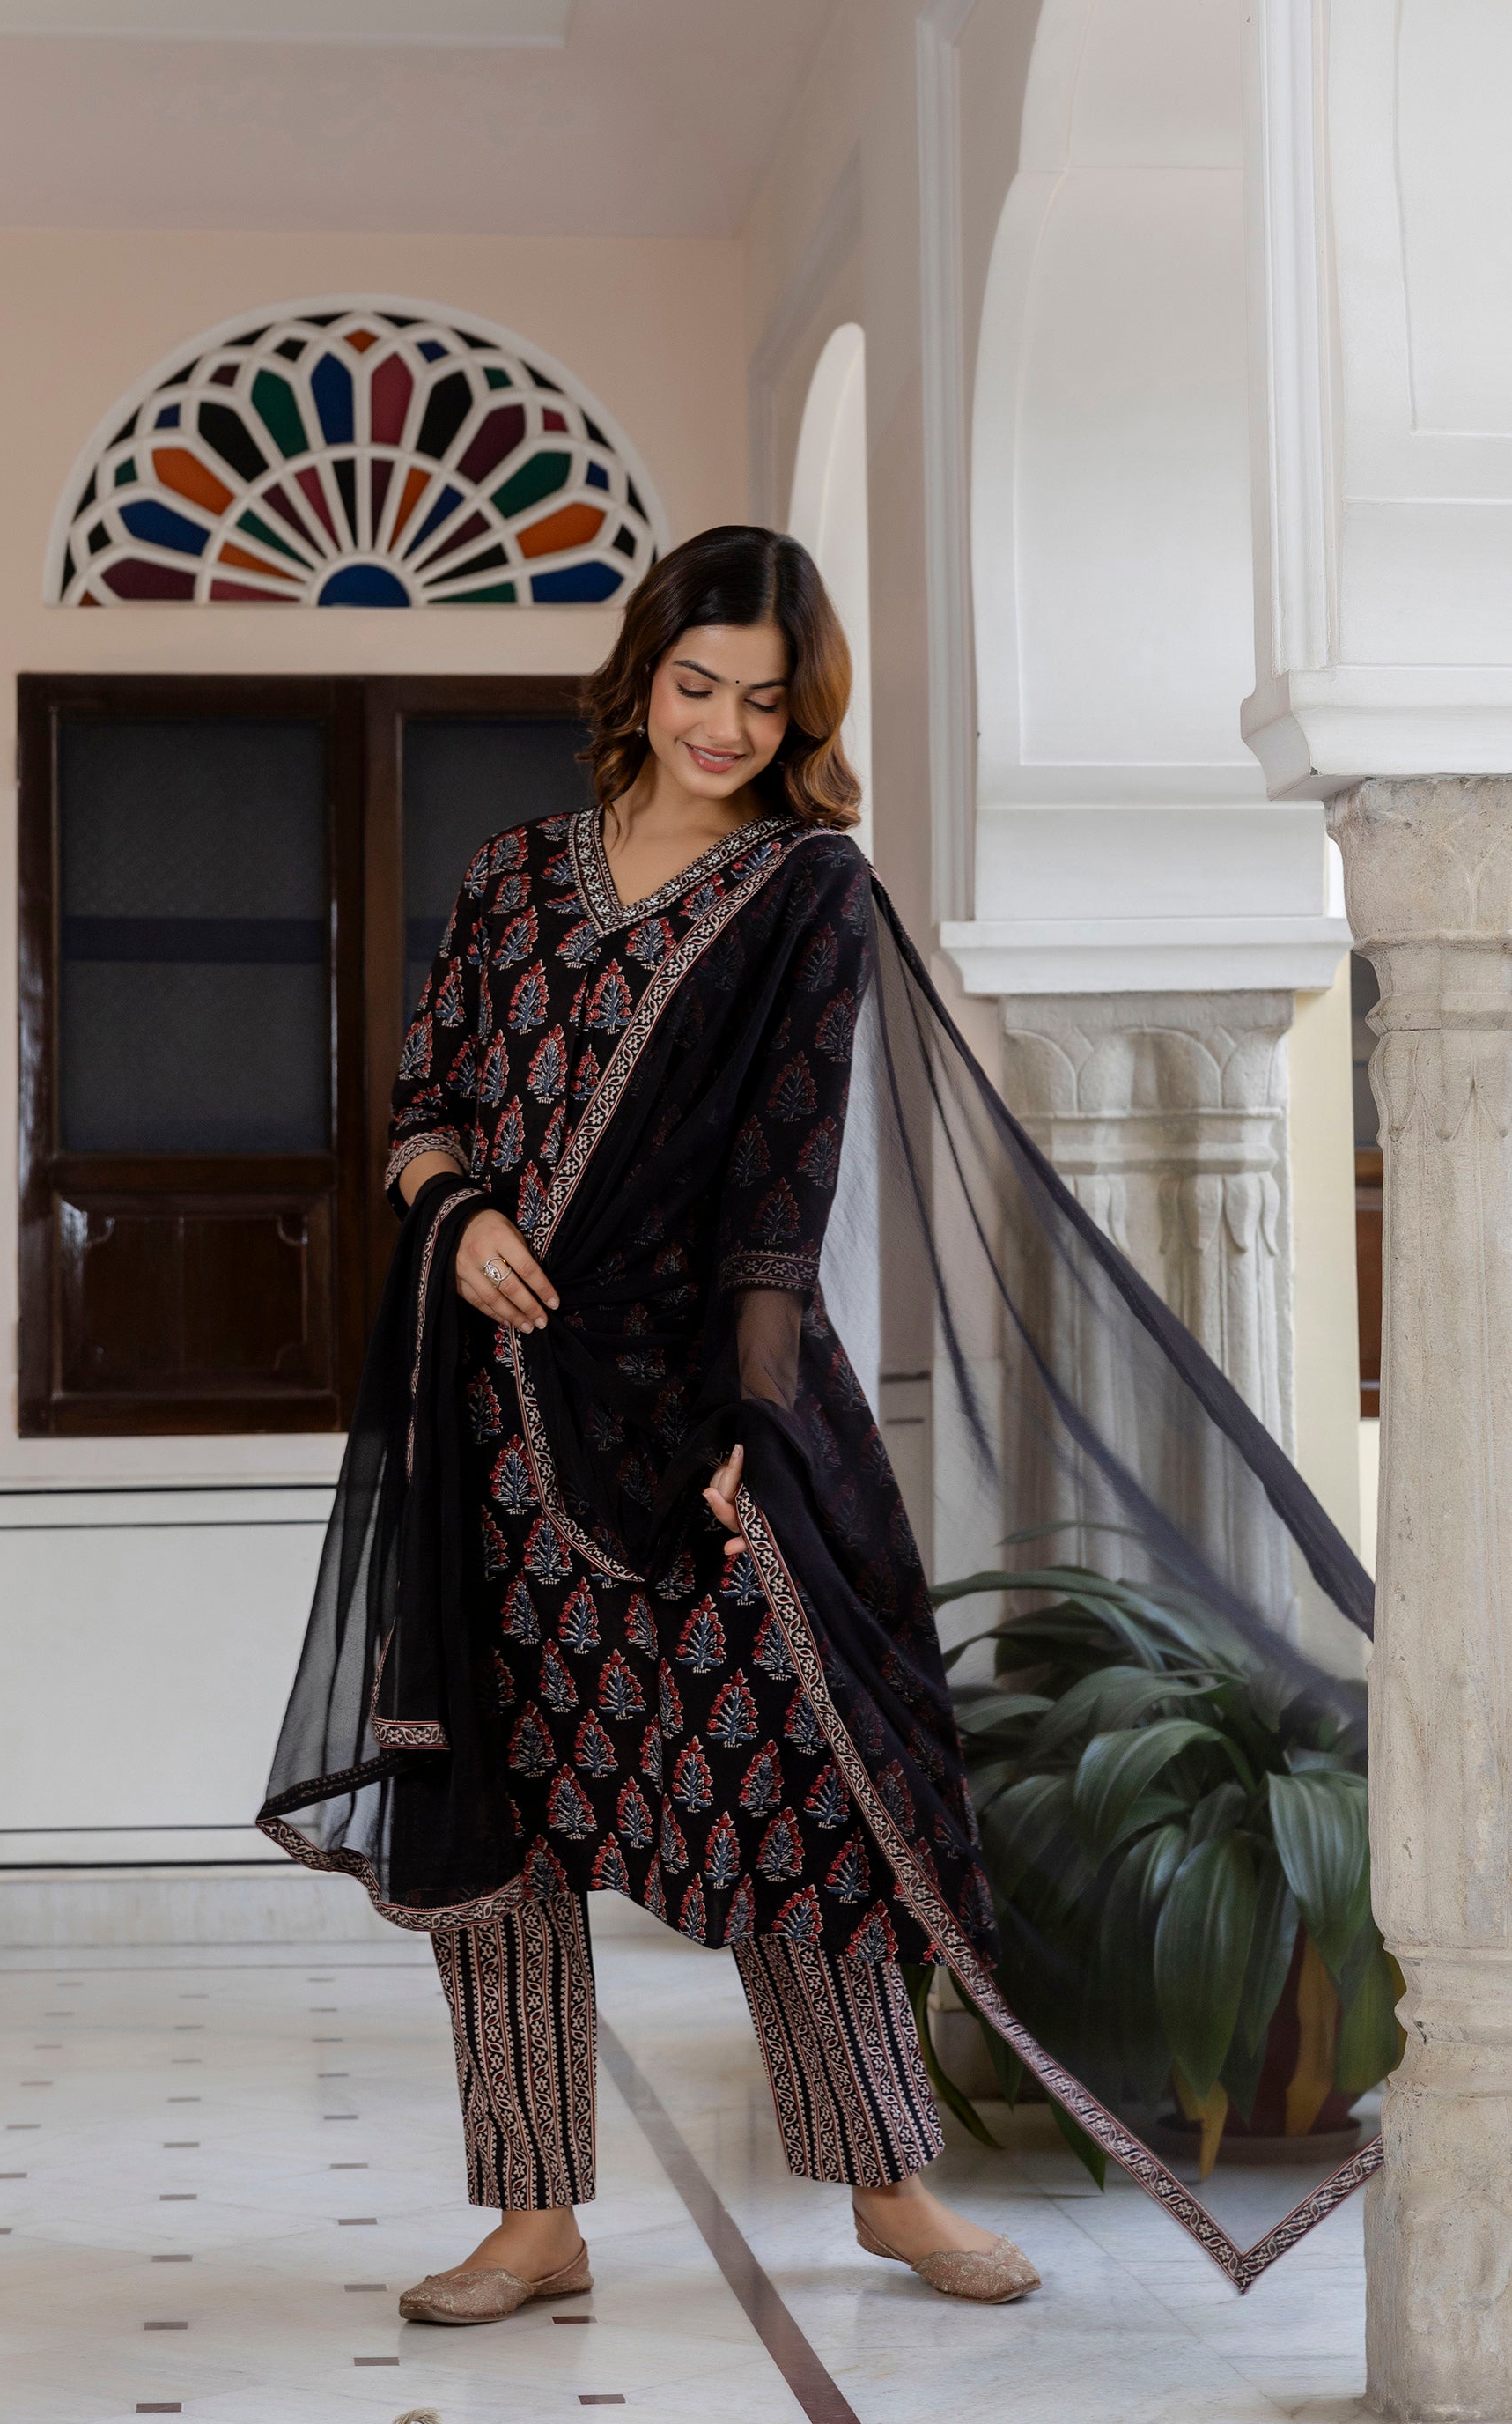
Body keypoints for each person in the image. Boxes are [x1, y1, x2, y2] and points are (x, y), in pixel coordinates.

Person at [262, 525, 1037, 2322]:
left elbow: (785, 1177)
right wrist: (457, 1212)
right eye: (698, 685)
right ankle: (532, 2217)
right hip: (492, 1422)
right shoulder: (510, 874)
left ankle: (887, 2182)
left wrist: (752, 1420)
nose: (724, 727)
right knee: (494, 1810)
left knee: (785, 1785)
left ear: (799, 719)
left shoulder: (802, 888)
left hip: (692, 1413)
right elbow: (421, 1102)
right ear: (641, 675)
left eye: (764, 702)